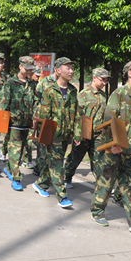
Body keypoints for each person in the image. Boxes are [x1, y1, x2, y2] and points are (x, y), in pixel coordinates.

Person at [90, 60, 131, 232]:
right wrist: (112, 144)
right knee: (106, 181)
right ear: (130, 73)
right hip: (115, 147)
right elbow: (108, 121)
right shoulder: (118, 94)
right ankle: (97, 212)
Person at [32, 57, 77, 208]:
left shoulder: (72, 90)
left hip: (66, 134)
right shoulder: (49, 90)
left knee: (52, 162)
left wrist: (76, 133)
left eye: (72, 68)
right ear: (58, 70)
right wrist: (44, 136)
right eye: (67, 68)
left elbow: (76, 114)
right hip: (53, 134)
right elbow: (44, 116)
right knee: (58, 164)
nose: (71, 71)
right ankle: (62, 196)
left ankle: (41, 183)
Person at [64, 67, 109, 188]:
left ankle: (101, 183)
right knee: (76, 156)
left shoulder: (104, 95)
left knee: (99, 159)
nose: (104, 83)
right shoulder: (84, 94)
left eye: (106, 81)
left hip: (98, 133)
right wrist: (77, 133)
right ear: (94, 78)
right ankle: (66, 177)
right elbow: (77, 115)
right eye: (102, 80)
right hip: (84, 131)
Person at [3, 56, 37, 191]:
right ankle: (16, 178)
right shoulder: (10, 82)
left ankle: (8, 167)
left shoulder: (32, 84)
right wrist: (2, 122)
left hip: (26, 122)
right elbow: (5, 102)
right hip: (13, 122)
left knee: (21, 149)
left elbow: (35, 102)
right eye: (27, 68)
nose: (29, 71)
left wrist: (34, 120)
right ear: (20, 66)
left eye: (31, 69)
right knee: (15, 151)